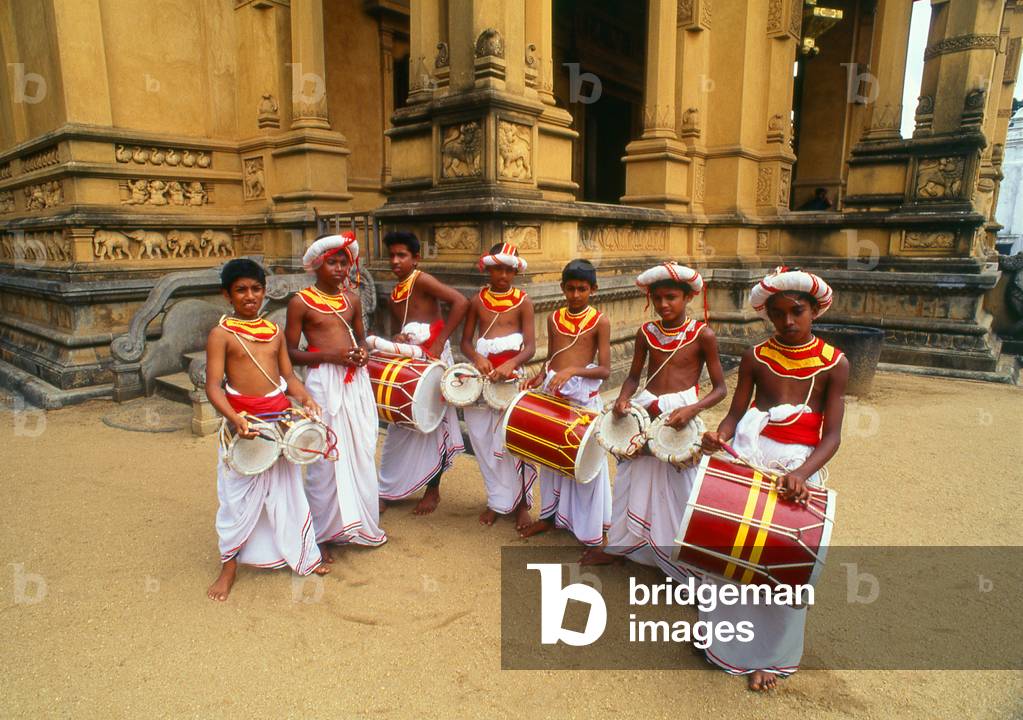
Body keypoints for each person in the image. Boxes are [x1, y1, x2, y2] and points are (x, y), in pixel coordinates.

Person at [700, 266, 848, 691]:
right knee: (733, 554)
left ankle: (771, 656)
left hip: (799, 467)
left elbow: (833, 434)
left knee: (782, 563)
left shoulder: (835, 364)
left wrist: (802, 474)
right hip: (751, 459)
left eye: (797, 312)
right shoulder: (756, 357)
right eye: (778, 314)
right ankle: (725, 641)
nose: (787, 322)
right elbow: (734, 414)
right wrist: (720, 436)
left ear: (815, 311)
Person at [582, 262, 726, 580]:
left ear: (687, 297)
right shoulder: (646, 333)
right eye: (658, 298)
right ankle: (621, 546)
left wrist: (692, 410)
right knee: (631, 475)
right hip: (647, 410)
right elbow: (634, 377)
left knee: (678, 486)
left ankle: (684, 560)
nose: (663, 305)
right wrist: (623, 399)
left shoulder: (704, 335)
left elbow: (720, 389)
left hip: (680, 417)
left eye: (671, 297)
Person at [204, 258, 328, 601]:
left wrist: (306, 399)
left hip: (278, 421)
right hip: (244, 425)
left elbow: (288, 378)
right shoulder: (221, 335)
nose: (249, 296)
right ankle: (229, 567)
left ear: (264, 292)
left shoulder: (274, 332)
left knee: (289, 492)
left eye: (256, 289)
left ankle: (304, 555)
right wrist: (235, 417)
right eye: (241, 290)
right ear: (226, 295)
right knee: (236, 498)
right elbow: (213, 386)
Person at [285, 233, 386, 560]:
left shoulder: (352, 300)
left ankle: (359, 525)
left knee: (359, 450)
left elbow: (362, 340)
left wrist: (361, 354)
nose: (340, 268)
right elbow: (287, 353)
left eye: (344, 262)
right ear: (316, 265)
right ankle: (323, 534)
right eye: (332, 262)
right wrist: (330, 358)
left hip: (354, 380)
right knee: (326, 456)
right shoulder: (300, 302)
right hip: (323, 384)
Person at [518, 259, 612, 546]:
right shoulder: (554, 318)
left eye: (582, 289)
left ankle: (591, 528)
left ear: (592, 289)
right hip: (555, 396)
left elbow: (605, 369)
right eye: (570, 289)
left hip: (583, 401)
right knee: (553, 456)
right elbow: (553, 357)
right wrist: (538, 376)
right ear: (562, 288)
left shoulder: (600, 321)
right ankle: (549, 517)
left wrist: (573, 371)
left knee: (585, 462)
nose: (575, 295)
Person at [377, 231, 468, 515]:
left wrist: (439, 343)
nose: (395, 261)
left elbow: (460, 302)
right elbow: (399, 328)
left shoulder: (422, 279)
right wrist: (398, 338)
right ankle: (388, 488)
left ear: (415, 258)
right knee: (400, 425)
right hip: (412, 362)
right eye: (391, 255)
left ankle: (433, 489)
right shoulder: (393, 295)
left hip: (435, 359)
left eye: (402, 255)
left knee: (435, 424)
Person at [459, 243, 536, 528]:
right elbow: (465, 342)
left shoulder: (523, 301)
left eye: (508, 269)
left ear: (515, 271)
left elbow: (530, 347)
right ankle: (497, 500)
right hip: (483, 378)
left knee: (512, 439)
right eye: (497, 269)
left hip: (511, 379)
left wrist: (510, 365)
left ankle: (522, 504)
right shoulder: (476, 301)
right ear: (488, 269)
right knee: (481, 438)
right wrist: (477, 357)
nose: (502, 275)